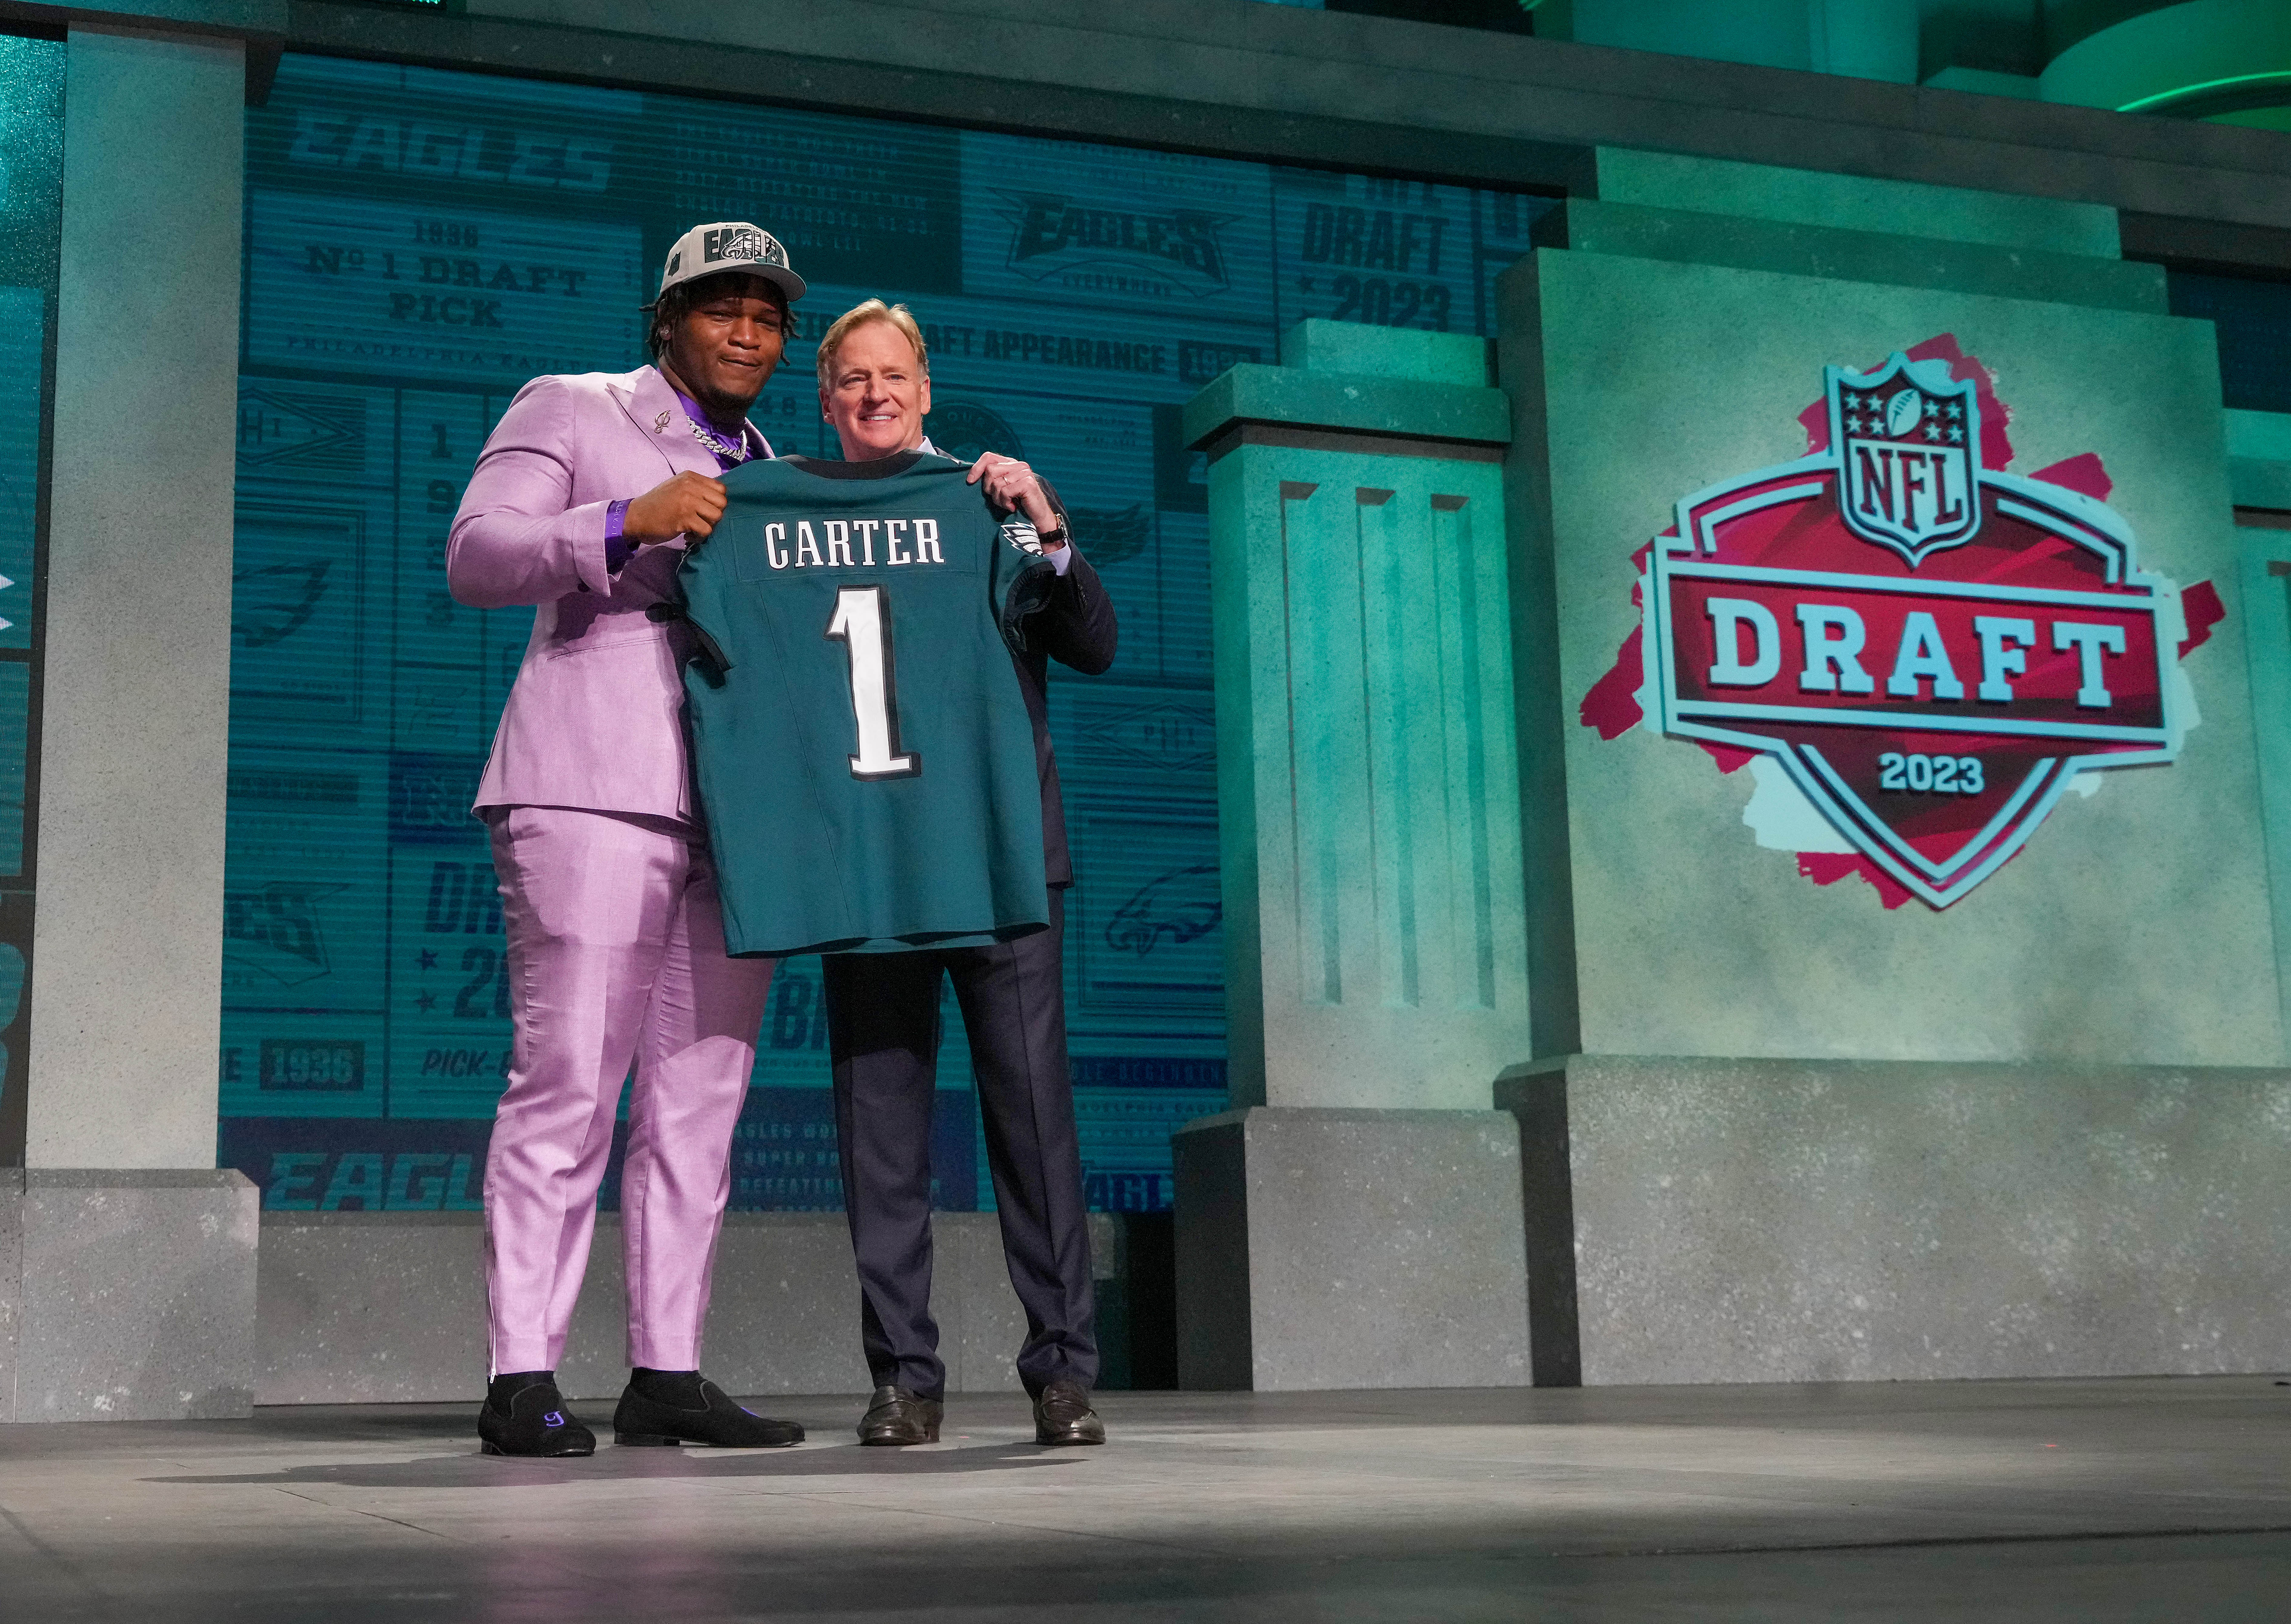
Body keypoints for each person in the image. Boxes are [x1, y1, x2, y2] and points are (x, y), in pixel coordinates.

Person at [446, 222, 809, 1457]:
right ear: (668, 319)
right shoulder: (575, 403)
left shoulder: (777, 469)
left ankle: (667, 1367)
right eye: (722, 304)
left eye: (767, 310)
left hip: (736, 817)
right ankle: (521, 1374)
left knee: (701, 1103)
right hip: (592, 790)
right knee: (568, 1086)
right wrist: (622, 519)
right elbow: (478, 554)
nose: (748, 326)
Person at [810, 300, 1119, 1447]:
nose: (876, 395)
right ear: (827, 398)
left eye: (894, 376)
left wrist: (1047, 523)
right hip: (873, 868)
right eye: (853, 379)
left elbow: (1094, 643)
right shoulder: (794, 514)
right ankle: (903, 1378)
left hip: (996, 861)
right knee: (879, 1132)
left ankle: (1063, 1375)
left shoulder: (990, 512)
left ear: (927, 391)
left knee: (1034, 1127)